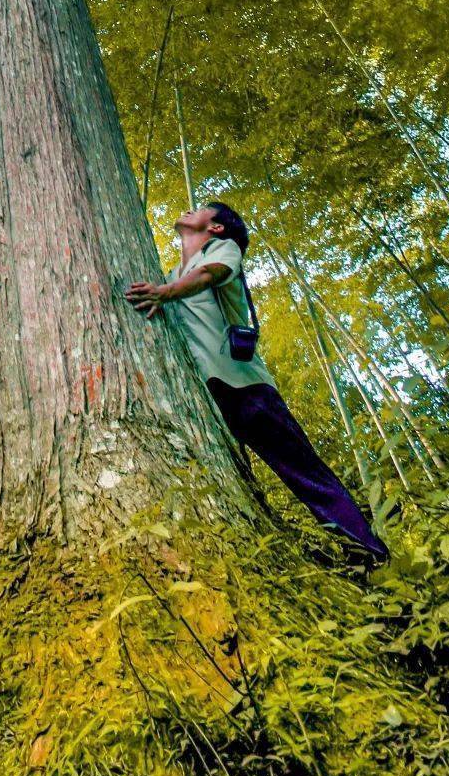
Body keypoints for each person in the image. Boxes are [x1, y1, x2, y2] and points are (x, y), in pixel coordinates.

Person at [126, 202, 388, 564]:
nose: (189, 209)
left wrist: (164, 294)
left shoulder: (223, 249)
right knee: (231, 477)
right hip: (207, 396)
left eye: (201, 208)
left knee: (303, 471)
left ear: (216, 227)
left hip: (246, 389)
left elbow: (208, 277)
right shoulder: (172, 272)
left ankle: (370, 554)